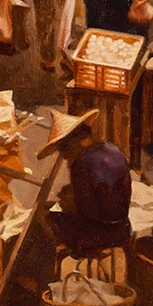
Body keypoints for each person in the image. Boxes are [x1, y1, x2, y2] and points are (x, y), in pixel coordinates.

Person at [37, 108, 132, 255]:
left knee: (43, 216)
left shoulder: (80, 163)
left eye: (64, 151)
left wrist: (68, 201)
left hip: (101, 234)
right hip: (124, 227)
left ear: (72, 143)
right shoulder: (112, 149)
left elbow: (84, 210)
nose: (65, 157)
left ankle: (65, 257)